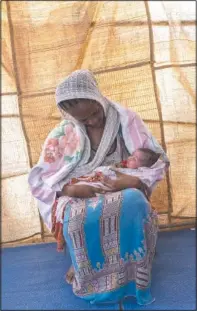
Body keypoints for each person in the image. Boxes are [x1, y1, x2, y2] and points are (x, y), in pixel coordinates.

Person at [28, 69, 169, 306]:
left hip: (122, 186)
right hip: (78, 191)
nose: (93, 121)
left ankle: (133, 272)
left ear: (98, 96)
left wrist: (133, 181)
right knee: (75, 217)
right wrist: (70, 191)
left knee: (133, 201)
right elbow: (40, 179)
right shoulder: (63, 133)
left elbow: (156, 160)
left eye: (95, 112)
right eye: (84, 120)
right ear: (72, 117)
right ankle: (87, 269)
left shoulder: (127, 120)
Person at [67, 148, 162, 193]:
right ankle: (77, 180)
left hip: (106, 182)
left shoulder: (137, 174)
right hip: (100, 175)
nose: (129, 158)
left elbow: (120, 181)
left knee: (85, 185)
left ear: (142, 167)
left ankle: (78, 183)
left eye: (134, 159)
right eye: (131, 155)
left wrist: (106, 179)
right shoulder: (125, 167)